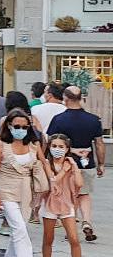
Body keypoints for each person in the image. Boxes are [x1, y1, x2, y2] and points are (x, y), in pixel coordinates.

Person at [0, 108, 42, 257]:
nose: (21, 129)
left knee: (20, 228)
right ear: (9, 126)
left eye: (25, 127)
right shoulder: (1, 145)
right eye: (17, 126)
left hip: (26, 191)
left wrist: (52, 182)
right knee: (20, 229)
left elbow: (44, 162)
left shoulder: (33, 144)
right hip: (6, 191)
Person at [48, 86, 105, 242]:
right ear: (81, 98)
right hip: (87, 162)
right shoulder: (93, 120)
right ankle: (87, 221)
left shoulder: (58, 119)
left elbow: (51, 141)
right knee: (84, 193)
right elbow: (99, 144)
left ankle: (71, 225)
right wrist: (101, 163)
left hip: (65, 162)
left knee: (69, 195)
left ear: (65, 98)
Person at [35, 134, 90, 257]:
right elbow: (52, 181)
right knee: (48, 238)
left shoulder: (70, 164)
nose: (57, 150)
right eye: (54, 146)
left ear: (67, 149)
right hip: (50, 204)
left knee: (74, 239)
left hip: (67, 205)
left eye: (61, 147)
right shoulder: (46, 163)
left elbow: (79, 184)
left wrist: (74, 166)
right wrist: (64, 171)